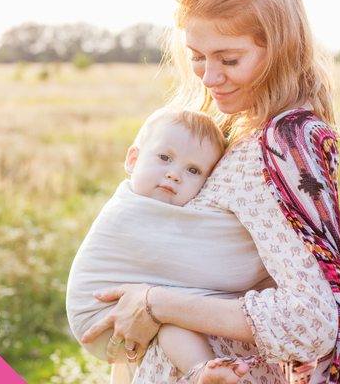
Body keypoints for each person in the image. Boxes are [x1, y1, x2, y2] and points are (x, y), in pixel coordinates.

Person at [80, 0, 340, 384]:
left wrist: (155, 301)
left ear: (282, 49)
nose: (208, 77)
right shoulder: (244, 131)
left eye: (229, 59)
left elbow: (310, 322)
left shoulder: (280, 147)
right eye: (197, 56)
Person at [67, 107, 273, 383]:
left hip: (126, 317)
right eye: (164, 158)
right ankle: (201, 368)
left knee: (170, 309)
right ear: (132, 160)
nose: (175, 175)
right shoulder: (127, 213)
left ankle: (205, 372)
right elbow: (212, 265)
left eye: (193, 170)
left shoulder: (164, 212)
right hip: (103, 319)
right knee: (172, 317)